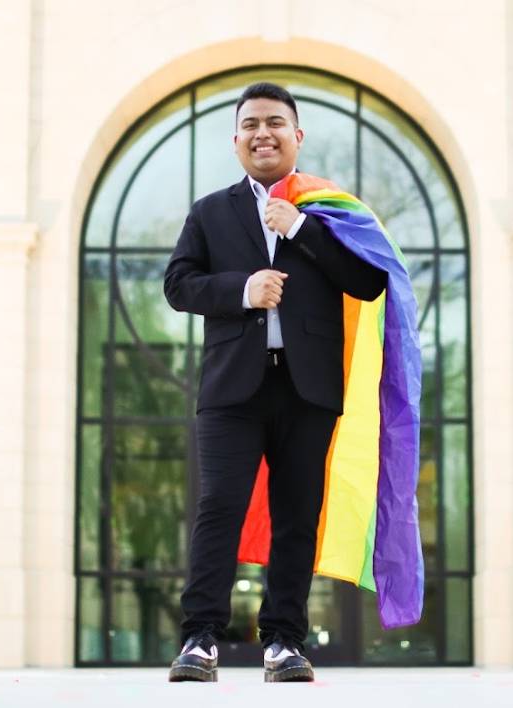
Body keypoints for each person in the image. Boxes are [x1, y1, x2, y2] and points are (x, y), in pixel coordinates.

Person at [163, 82, 388, 683]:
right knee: (220, 507)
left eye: (276, 123)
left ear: (297, 135)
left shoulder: (332, 209)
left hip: (308, 388)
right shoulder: (210, 211)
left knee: (296, 514)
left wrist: (301, 231)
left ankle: (284, 643)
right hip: (231, 390)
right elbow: (179, 284)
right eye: (252, 124)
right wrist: (241, 290)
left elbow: (369, 282)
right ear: (236, 139)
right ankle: (200, 639)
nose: (264, 133)